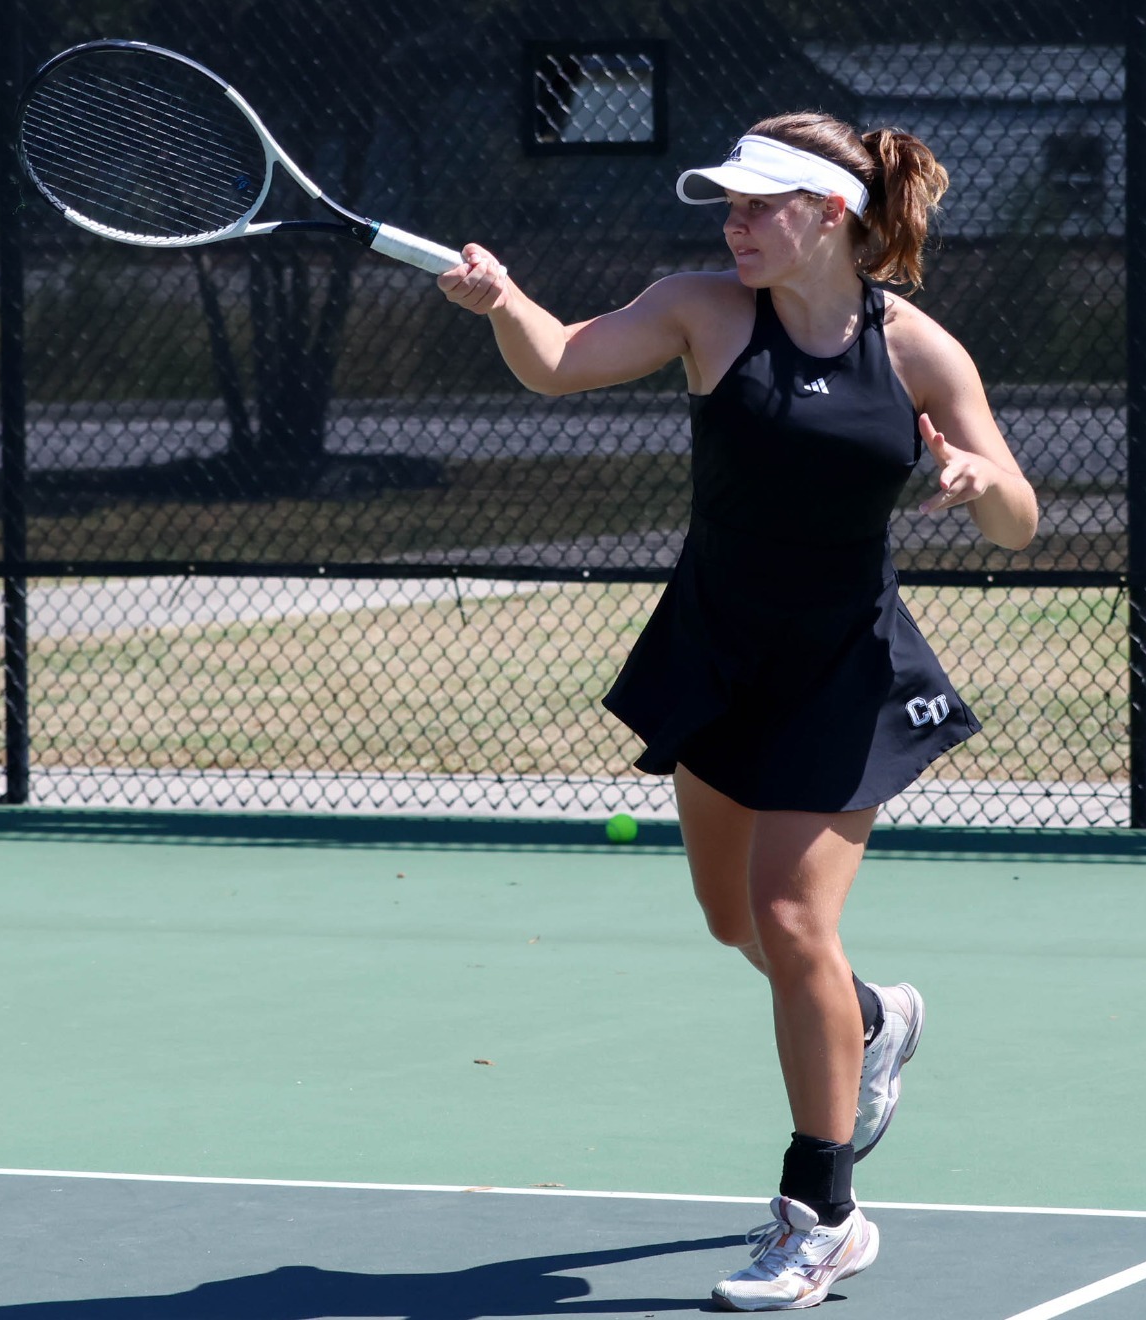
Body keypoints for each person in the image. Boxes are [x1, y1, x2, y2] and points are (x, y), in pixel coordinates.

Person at [436, 111, 1037, 1312]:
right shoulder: (700, 309)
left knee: (787, 916)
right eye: (729, 205)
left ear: (830, 216)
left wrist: (977, 485)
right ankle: (870, 1024)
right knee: (737, 927)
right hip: (715, 650)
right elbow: (557, 360)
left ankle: (819, 1215)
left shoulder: (917, 351)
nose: (735, 224)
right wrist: (503, 300)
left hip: (842, 666)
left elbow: (1021, 511)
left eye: (760, 206)